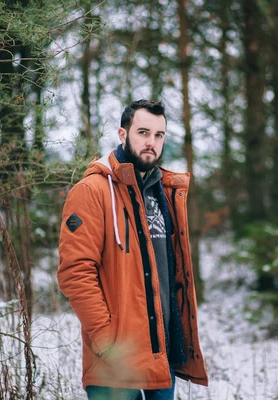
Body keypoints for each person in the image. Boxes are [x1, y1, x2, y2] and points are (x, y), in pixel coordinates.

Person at [57, 100, 208, 399]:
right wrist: (105, 340)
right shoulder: (92, 191)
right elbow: (75, 272)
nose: (151, 142)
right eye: (142, 132)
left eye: (159, 135)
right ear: (123, 134)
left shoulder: (165, 192)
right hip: (115, 359)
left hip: (162, 351)